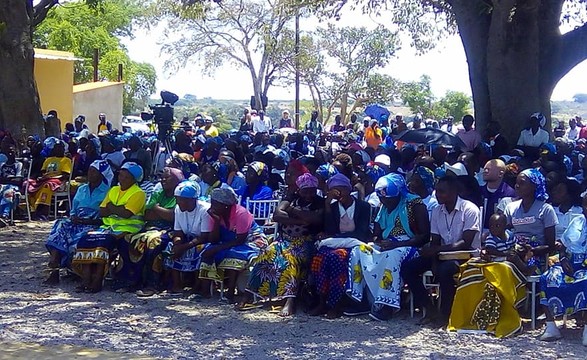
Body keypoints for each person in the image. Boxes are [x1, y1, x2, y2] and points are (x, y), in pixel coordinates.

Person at [347, 174, 430, 321]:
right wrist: (377, 242)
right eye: (381, 198)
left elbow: (424, 236)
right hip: (389, 243)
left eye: (388, 198)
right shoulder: (383, 206)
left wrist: (398, 244)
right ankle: (361, 300)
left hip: (410, 245)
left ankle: (387, 305)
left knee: (393, 256)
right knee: (358, 250)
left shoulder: (414, 203)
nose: (384, 201)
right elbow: (377, 233)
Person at [401, 176, 480, 324]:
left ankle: (445, 314)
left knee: (445, 270)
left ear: (454, 192)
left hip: (466, 255)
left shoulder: (469, 209)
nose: (437, 195)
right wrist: (433, 258)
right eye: (437, 191)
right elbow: (435, 240)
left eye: (442, 191)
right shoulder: (437, 211)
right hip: (442, 254)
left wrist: (436, 251)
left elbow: (465, 243)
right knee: (408, 268)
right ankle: (429, 309)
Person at [247, 173, 324, 316]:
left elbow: (315, 219)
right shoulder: (291, 198)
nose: (309, 194)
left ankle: (290, 301)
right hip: (284, 240)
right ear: (299, 190)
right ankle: (250, 295)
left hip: (306, 242)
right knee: (266, 253)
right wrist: (300, 220)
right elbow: (277, 216)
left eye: (312, 191)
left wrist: (292, 211)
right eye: (305, 191)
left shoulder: (320, 202)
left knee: (291, 259)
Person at [448, 213, 530, 338]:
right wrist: (505, 254)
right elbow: (490, 250)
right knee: (478, 272)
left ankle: (524, 270)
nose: (494, 228)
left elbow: (513, 246)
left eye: (497, 225)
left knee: (514, 259)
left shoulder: (510, 236)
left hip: (507, 257)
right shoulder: (491, 238)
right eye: (491, 226)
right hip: (495, 259)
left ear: (505, 226)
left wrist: (516, 251)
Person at [71, 162, 146, 293]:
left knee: (102, 243)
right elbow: (102, 211)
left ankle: (97, 280)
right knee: (85, 240)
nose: (122, 179)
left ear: (134, 180)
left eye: (126, 177)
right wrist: (116, 209)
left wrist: (111, 207)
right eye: (121, 176)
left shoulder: (138, 193)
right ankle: (86, 279)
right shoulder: (114, 190)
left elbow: (126, 214)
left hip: (126, 228)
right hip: (108, 226)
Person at [309, 174, 371, 318]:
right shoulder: (333, 208)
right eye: (334, 191)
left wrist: (337, 238)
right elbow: (330, 231)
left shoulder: (363, 207)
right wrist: (328, 205)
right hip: (335, 243)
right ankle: (322, 300)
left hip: (354, 244)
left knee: (337, 258)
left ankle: (336, 304)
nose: (339, 194)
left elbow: (360, 233)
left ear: (348, 189)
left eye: (341, 190)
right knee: (320, 258)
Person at [44, 160, 113, 284]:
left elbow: (107, 216)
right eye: (89, 171)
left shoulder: (108, 191)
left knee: (79, 237)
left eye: (94, 172)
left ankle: (63, 268)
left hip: (94, 224)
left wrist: (87, 220)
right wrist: (74, 217)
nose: (90, 174)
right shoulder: (82, 189)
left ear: (102, 175)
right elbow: (73, 209)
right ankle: (54, 264)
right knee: (61, 225)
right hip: (78, 222)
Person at [116, 167, 184, 292]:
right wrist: (162, 212)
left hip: (171, 229)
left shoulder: (180, 196)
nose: (163, 180)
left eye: (167, 177)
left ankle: (152, 284)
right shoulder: (158, 193)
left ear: (177, 181)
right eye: (162, 177)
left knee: (153, 242)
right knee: (127, 239)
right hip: (151, 226)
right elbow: (146, 214)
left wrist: (156, 208)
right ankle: (130, 281)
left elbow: (173, 217)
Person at [199, 188, 268, 303]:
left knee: (234, 254)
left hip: (252, 241)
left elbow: (240, 240)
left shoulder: (241, 213)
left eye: (215, 204)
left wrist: (217, 248)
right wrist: (216, 221)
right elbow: (213, 239)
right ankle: (204, 290)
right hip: (229, 242)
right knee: (206, 250)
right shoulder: (216, 215)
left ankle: (230, 293)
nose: (212, 206)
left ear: (225, 205)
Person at [539, 196, 587, 343]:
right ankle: (551, 326)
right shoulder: (577, 221)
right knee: (547, 277)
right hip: (570, 263)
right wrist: (564, 258)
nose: (586, 209)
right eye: (585, 205)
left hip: (585, 267)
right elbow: (562, 245)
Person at [164, 181, 214, 295]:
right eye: (177, 199)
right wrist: (177, 244)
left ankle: (197, 285)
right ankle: (176, 285)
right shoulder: (178, 208)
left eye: (181, 200)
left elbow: (204, 237)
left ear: (192, 200)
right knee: (170, 247)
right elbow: (178, 232)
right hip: (187, 239)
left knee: (200, 249)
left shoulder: (205, 210)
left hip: (202, 240)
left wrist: (183, 247)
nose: (178, 202)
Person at [504, 168, 557, 270]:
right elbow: (503, 232)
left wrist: (531, 250)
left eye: (522, 183)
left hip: (536, 254)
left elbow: (550, 245)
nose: (517, 186)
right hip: (514, 250)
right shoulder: (511, 207)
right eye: (516, 182)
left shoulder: (546, 209)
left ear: (534, 186)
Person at [26, 140, 72, 220]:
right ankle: (32, 209)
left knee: (47, 186)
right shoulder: (48, 160)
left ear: (63, 149)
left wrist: (52, 178)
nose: (58, 150)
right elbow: (43, 172)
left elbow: (65, 175)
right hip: (45, 179)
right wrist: (43, 177)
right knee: (30, 185)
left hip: (58, 180)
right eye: (56, 148)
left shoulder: (66, 160)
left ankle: (42, 212)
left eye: (60, 148)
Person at [481, 159, 516, 228]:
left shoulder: (509, 194)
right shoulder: (479, 191)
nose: (485, 171)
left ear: (500, 174)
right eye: (485, 169)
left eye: (489, 169)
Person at [0, 145, 24, 221]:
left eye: (12, 152)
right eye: (9, 152)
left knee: (8, 192)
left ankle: (5, 215)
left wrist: (6, 180)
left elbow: (18, 179)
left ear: (15, 153)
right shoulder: (2, 165)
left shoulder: (18, 165)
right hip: (2, 185)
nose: (10, 154)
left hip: (13, 186)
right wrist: (8, 179)